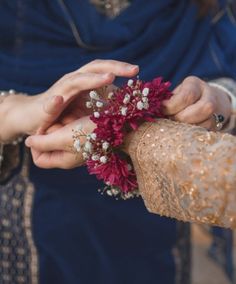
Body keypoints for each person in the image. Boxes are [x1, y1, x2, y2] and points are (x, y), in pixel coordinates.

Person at [0, 1, 236, 284]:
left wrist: (221, 99)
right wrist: (14, 111)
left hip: (154, 234)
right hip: (30, 228)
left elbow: (226, 60)